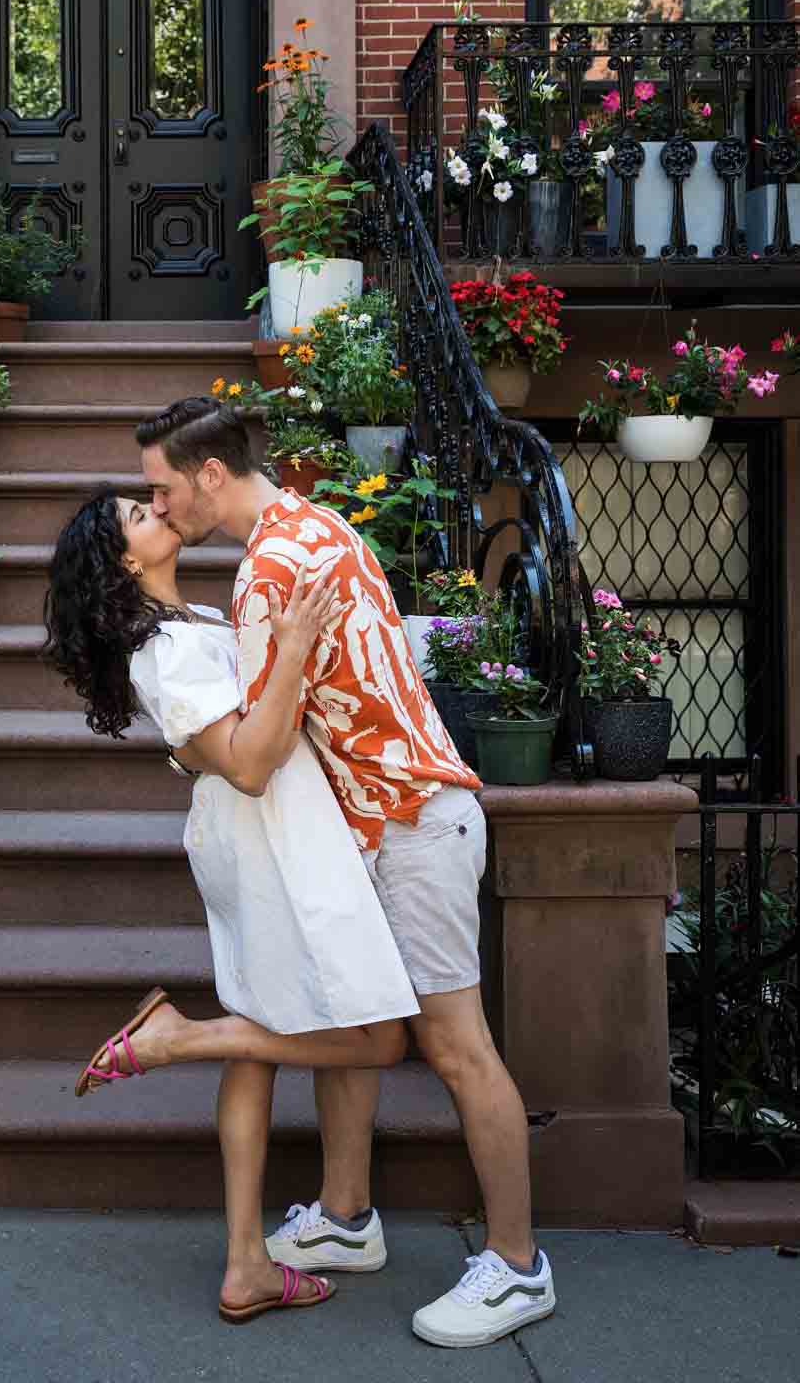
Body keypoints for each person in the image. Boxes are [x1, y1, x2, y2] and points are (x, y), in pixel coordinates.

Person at [135, 396, 557, 1351]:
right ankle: (345, 1215)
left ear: (210, 474)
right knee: (346, 1014)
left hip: (408, 826)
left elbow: (254, 745)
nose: (158, 508)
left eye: (162, 489)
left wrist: (189, 749)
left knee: (455, 1047)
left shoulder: (266, 572)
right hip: (371, 829)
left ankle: (517, 1267)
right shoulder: (316, 521)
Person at [43, 485, 419, 1324]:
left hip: (282, 833)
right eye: (136, 517)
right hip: (267, 841)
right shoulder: (163, 653)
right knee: (379, 1037)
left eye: (146, 501)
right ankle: (176, 1037)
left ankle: (246, 1263)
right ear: (122, 561)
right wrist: (291, 651)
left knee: (260, 1043)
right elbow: (247, 765)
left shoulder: (197, 623)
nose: (155, 509)